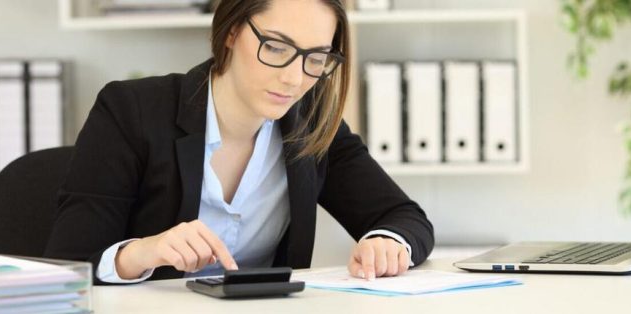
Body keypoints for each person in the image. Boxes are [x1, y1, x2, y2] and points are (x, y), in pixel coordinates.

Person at [44, 0, 434, 285]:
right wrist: (142, 253)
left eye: (316, 58)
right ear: (231, 31)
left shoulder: (311, 123)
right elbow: (69, 266)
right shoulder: (131, 111)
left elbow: (406, 219)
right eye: (277, 48)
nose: (295, 79)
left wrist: (386, 240)